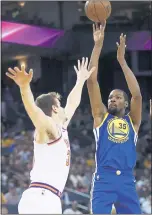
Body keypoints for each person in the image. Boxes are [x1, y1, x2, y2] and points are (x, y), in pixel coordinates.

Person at [6, 57, 95, 214]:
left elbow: (73, 103)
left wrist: (81, 80)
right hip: (42, 197)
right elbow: (34, 112)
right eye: (60, 105)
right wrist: (25, 87)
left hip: (46, 197)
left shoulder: (60, 128)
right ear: (54, 108)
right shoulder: (49, 128)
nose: (64, 108)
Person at [87, 23, 142, 214]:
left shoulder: (132, 122)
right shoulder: (101, 117)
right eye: (110, 97)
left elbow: (136, 95)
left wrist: (122, 61)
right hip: (104, 178)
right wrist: (98, 46)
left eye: (118, 97)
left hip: (127, 179)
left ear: (126, 104)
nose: (112, 99)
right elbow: (91, 81)